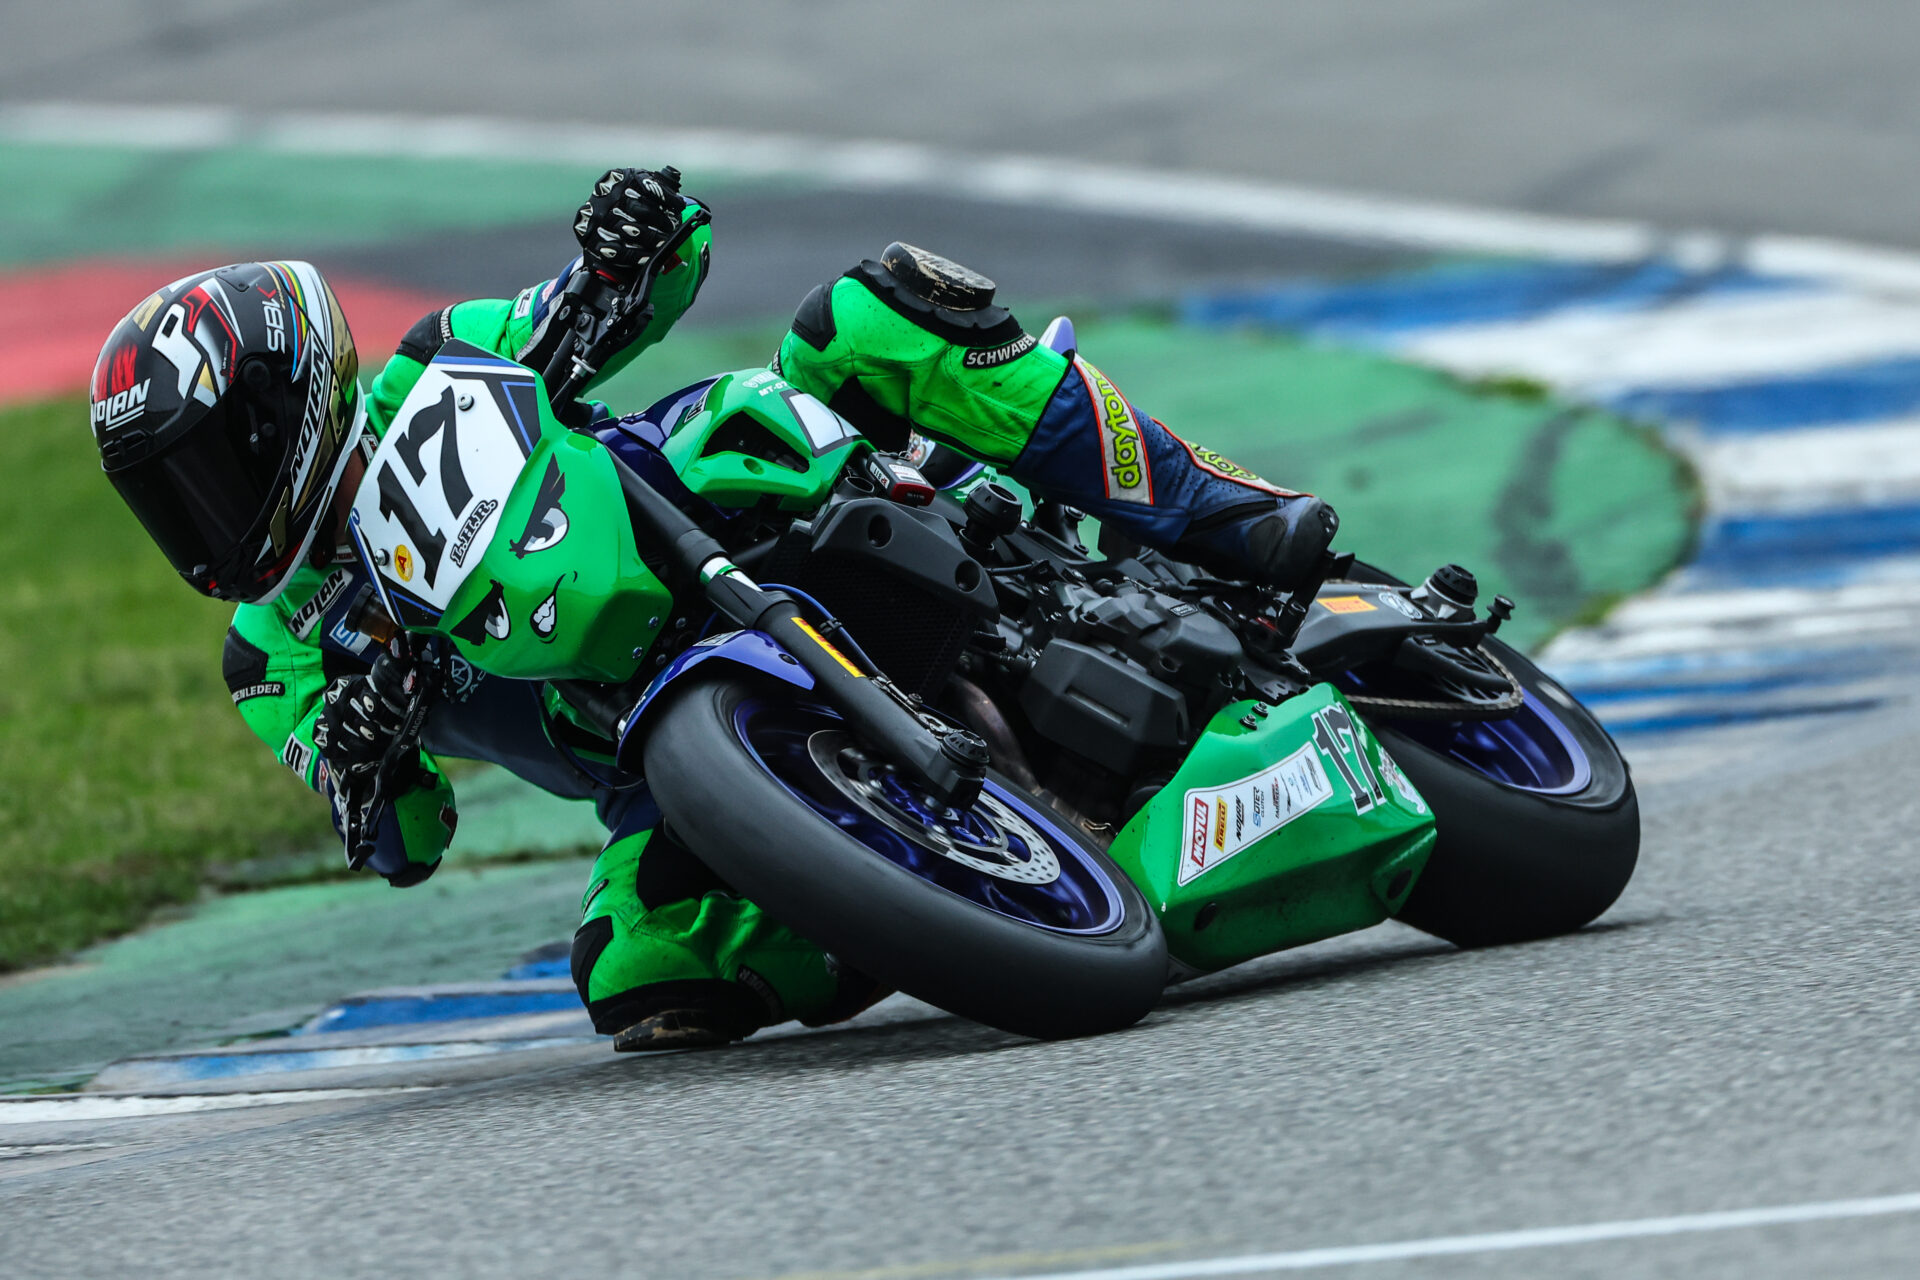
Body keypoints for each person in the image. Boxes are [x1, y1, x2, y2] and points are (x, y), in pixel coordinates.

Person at [87, 169, 1336, 1051]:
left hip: (714, 499)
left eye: (211, 472)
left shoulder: (432, 359)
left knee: (868, 312)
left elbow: (652, 273)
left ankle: (1223, 512)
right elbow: (405, 838)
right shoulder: (272, 659)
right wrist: (368, 756)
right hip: (653, 743)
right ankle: (915, 893)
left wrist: (624, 241)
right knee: (640, 970)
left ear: (292, 402)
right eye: (168, 501)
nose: (202, 520)